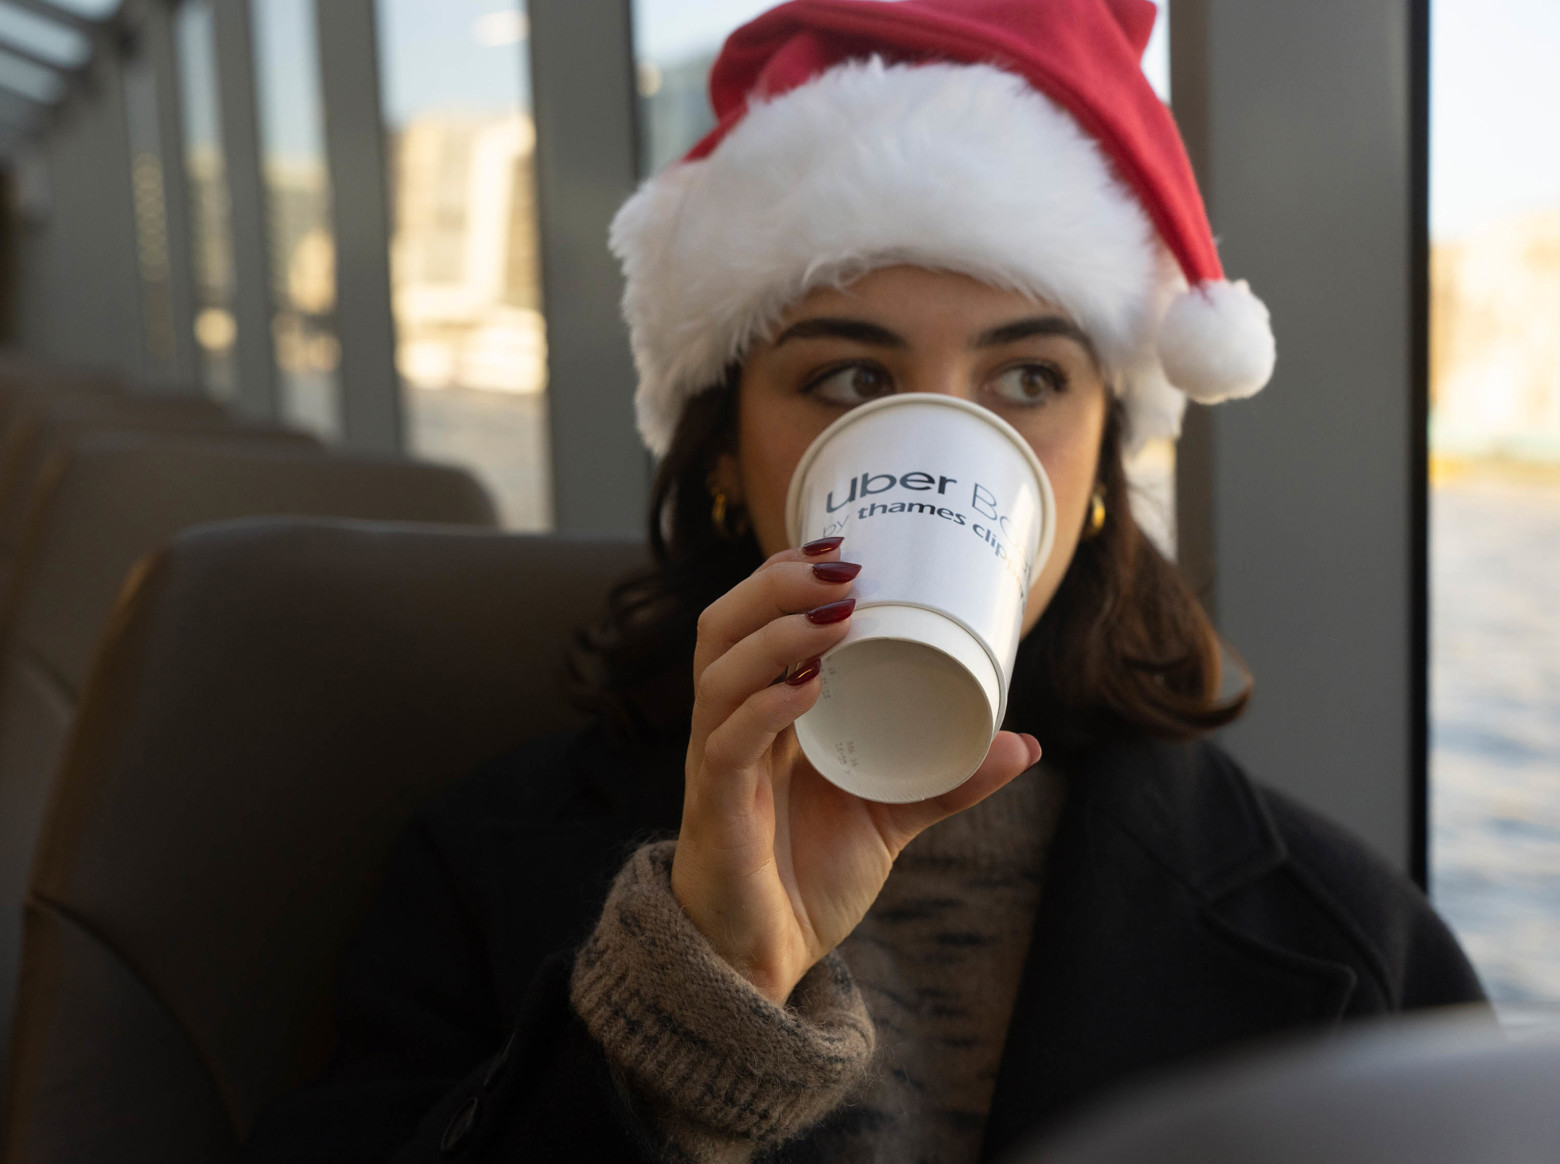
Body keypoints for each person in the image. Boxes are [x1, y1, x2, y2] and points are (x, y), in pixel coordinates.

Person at [242, 1, 1485, 1160]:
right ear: (727, 455)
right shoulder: (478, 867)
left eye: (1030, 378)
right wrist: (692, 1003)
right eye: (849, 377)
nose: (945, 438)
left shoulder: (1346, 940)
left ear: (1104, 468)